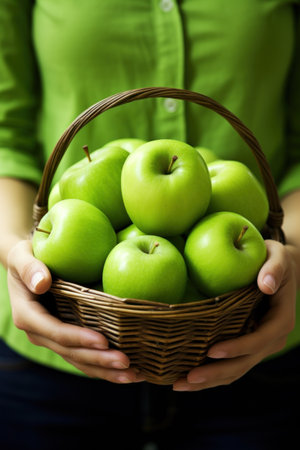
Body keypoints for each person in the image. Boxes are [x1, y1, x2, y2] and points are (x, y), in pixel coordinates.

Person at [0, 1, 300, 449]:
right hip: (51, 352)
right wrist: (12, 247)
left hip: (255, 337)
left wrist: (293, 249)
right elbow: (6, 134)